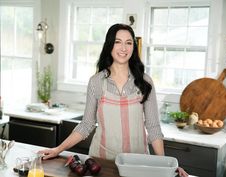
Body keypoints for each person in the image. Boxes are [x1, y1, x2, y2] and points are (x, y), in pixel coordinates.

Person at [39, 23, 188, 177]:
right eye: (118, 42)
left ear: (133, 47)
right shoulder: (96, 82)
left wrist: (166, 167)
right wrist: (58, 150)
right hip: (103, 163)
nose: (123, 48)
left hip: (138, 164)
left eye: (128, 43)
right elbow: (86, 125)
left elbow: (153, 127)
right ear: (109, 45)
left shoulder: (145, 82)